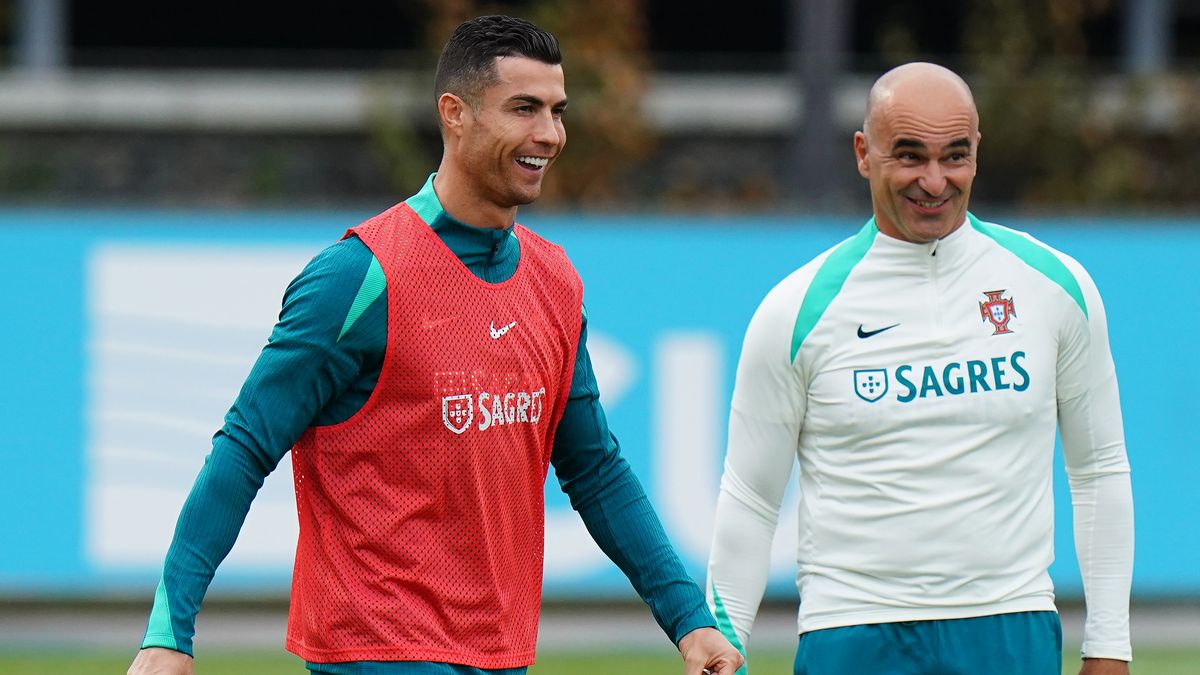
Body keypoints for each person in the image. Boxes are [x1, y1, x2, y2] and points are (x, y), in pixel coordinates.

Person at [128, 15, 743, 675]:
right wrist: (170, 629)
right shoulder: (358, 278)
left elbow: (595, 467)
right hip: (377, 648)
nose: (550, 134)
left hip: (500, 653)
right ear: (455, 113)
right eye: (524, 109)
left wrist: (689, 620)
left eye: (558, 111)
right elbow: (245, 446)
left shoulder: (555, 281)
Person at [705, 62, 1133, 675]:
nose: (935, 181)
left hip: (1009, 628)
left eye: (954, 156)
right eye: (909, 156)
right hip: (850, 632)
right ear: (863, 153)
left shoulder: (1055, 287)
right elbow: (750, 496)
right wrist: (728, 644)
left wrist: (1109, 645)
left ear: (977, 152)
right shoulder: (796, 311)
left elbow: (1099, 470)